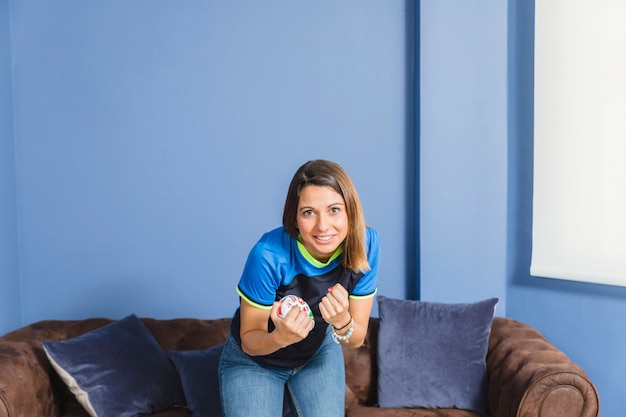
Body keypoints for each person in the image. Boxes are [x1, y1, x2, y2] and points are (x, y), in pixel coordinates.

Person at [218, 159, 380, 417]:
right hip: (255, 361)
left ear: (351, 210)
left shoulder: (366, 244)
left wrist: (341, 322)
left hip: (316, 354)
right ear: (294, 219)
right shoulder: (268, 255)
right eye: (308, 212)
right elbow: (249, 339)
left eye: (334, 210)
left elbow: (356, 338)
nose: (323, 226)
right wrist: (280, 337)